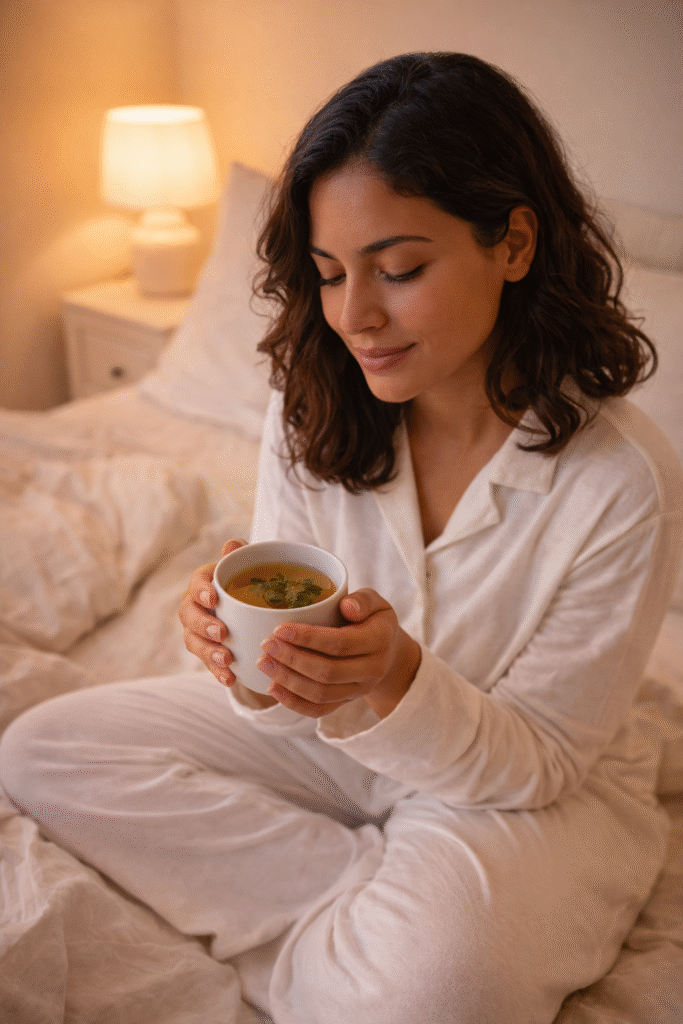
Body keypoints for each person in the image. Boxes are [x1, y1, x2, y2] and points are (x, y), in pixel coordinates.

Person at [2, 52, 682, 1024]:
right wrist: (247, 668)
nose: (354, 317)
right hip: (344, 742)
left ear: (514, 242)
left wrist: (392, 676)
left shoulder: (623, 481)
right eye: (327, 274)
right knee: (42, 750)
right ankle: (363, 896)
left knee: (431, 996)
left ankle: (383, 937)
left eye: (398, 270)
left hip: (516, 786)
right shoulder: (314, 404)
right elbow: (285, 699)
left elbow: (536, 761)